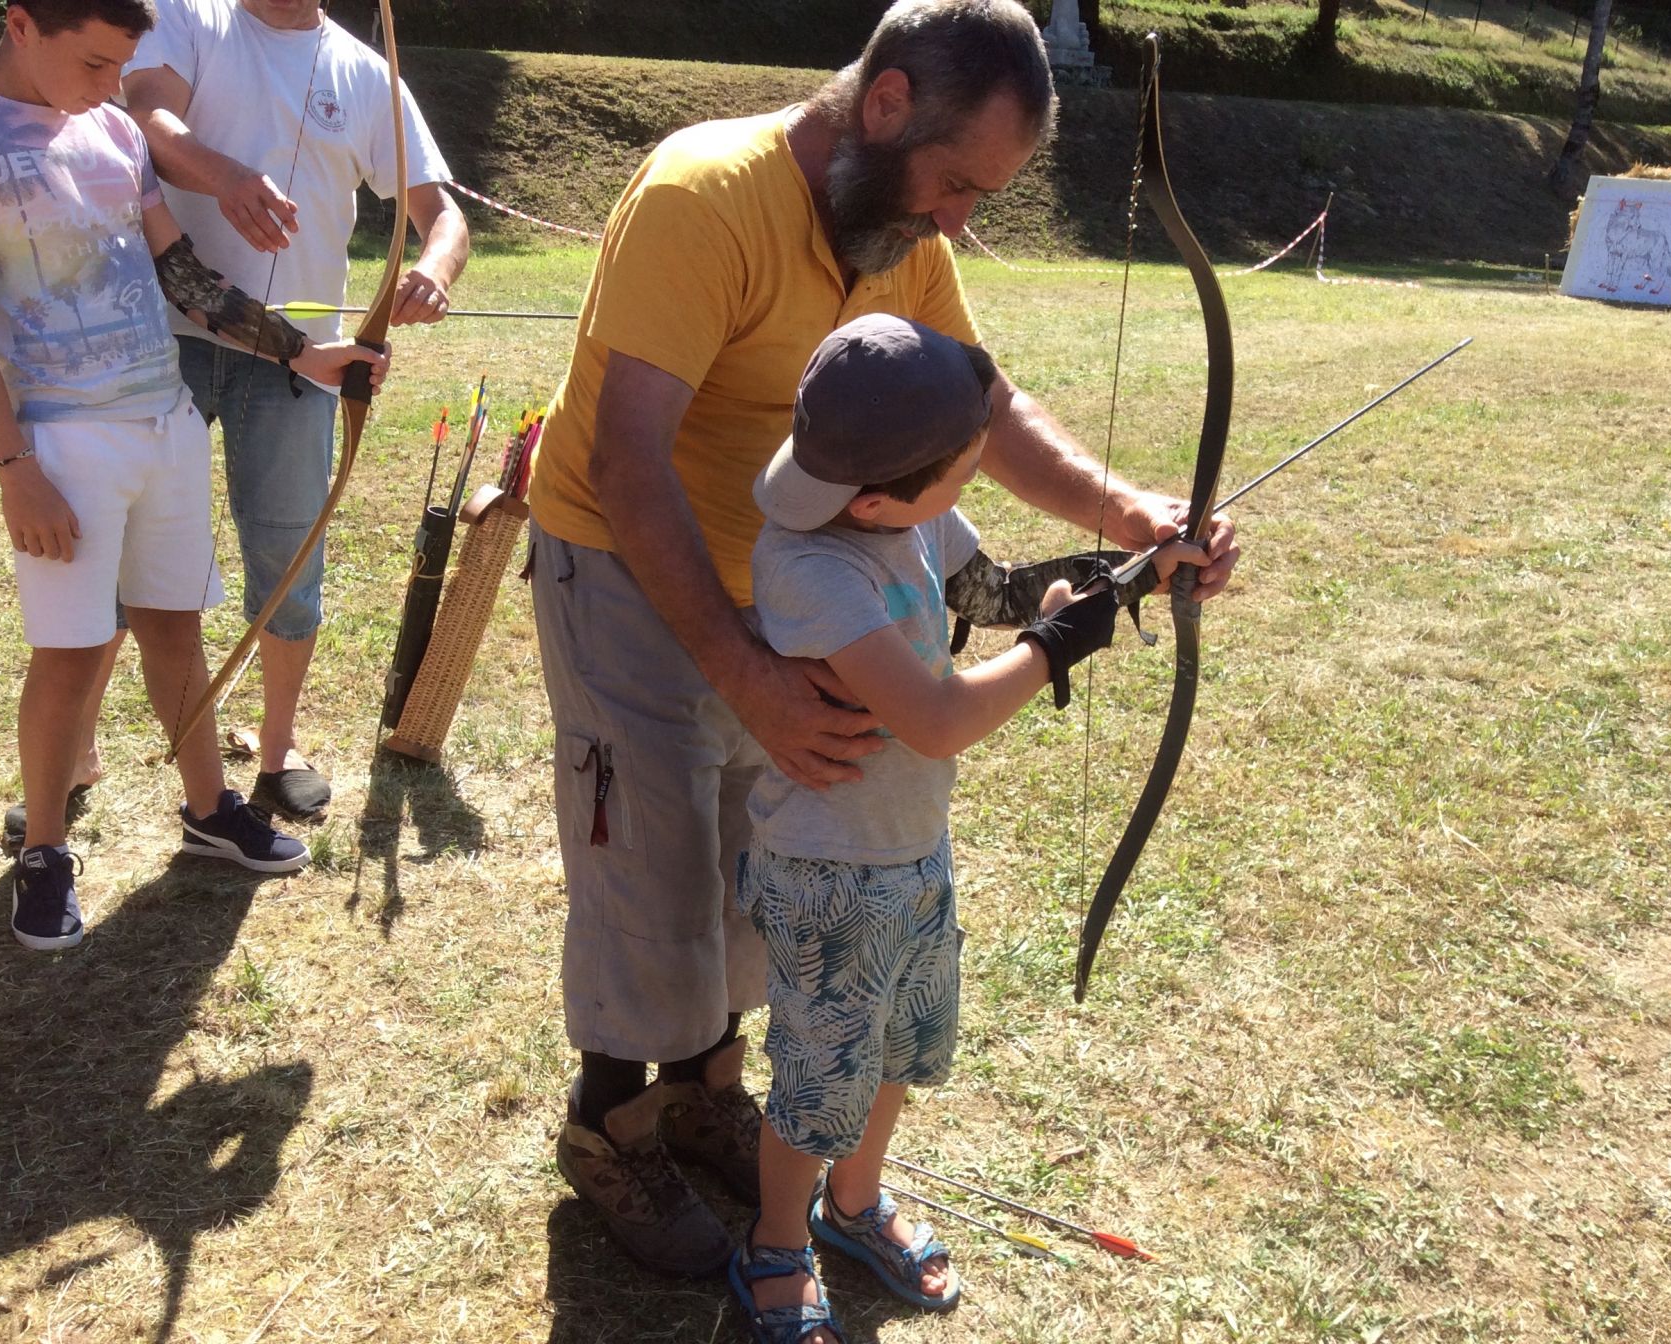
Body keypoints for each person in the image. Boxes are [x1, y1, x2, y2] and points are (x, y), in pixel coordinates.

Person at [527, 0, 1239, 1277]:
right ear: (889, 102)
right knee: (650, 858)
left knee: (757, 841)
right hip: (628, 568)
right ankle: (610, 1126)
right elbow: (628, 465)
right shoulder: (705, 198)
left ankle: (704, 1093)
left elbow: (985, 402)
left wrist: (1134, 515)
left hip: (789, 584)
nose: (962, 217)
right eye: (961, 183)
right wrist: (745, 669)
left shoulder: (896, 225)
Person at [733, 314, 1188, 1342]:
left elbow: (993, 595)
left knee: (894, 1049)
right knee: (820, 1075)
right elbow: (939, 720)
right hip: (830, 874)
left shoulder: (905, 510)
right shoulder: (812, 566)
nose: (974, 487)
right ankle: (774, 1236)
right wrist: (1058, 648)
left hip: (909, 855)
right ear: (878, 495)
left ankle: (854, 1208)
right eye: (966, 473)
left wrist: (1136, 570)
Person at [0, 0, 390, 948]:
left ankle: (209, 808)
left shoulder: (114, 129)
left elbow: (181, 275)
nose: (107, 90)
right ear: (19, 23)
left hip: (162, 422)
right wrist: (16, 467)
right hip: (61, 440)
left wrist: (299, 354)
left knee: (174, 626)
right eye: (92, 64)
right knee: (77, 650)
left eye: (120, 68)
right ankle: (44, 851)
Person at [77, 0, 468, 823]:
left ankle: (278, 745)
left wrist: (433, 267)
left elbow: (442, 213)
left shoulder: (368, 73)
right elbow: (144, 113)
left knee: (290, 555)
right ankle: (73, 749)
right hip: (167, 333)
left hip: (300, 357)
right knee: (119, 547)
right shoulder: (191, 16)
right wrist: (225, 176)